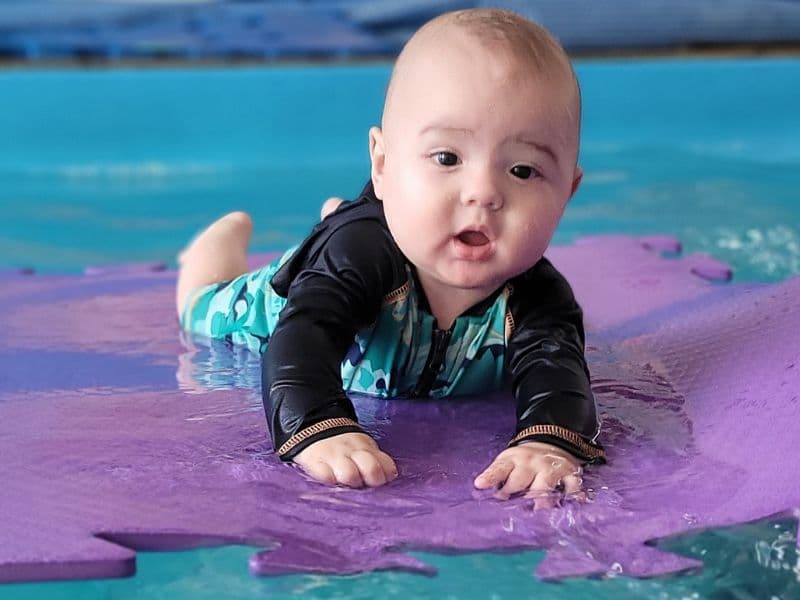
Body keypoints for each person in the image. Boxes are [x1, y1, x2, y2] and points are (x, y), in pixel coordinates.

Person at [176, 8, 605, 502]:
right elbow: (302, 340)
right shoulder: (360, 258)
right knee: (202, 310)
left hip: (364, 248)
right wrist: (319, 426)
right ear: (382, 165)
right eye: (447, 158)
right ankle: (216, 251)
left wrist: (548, 442)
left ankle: (344, 215)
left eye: (523, 171)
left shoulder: (539, 297)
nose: (484, 193)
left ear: (567, 193)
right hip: (285, 300)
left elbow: (560, 376)